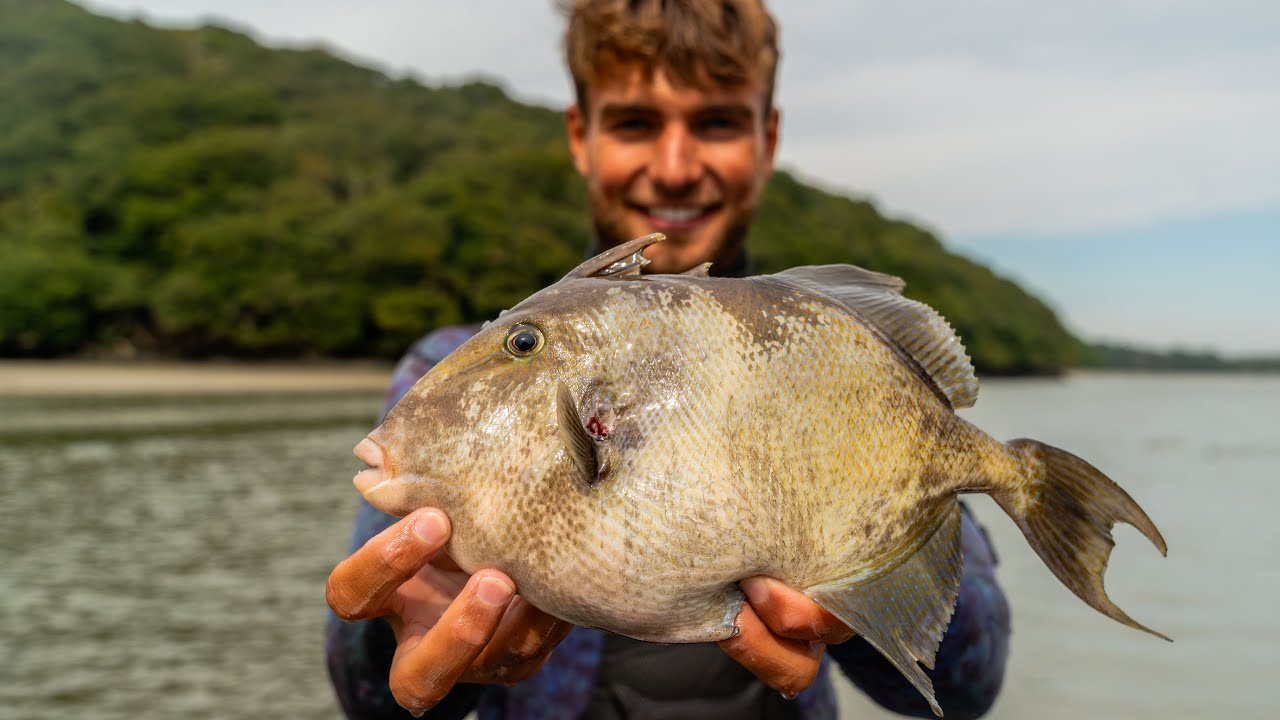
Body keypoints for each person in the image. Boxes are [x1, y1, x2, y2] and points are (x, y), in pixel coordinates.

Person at [325, 1, 1010, 718]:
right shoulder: (443, 361)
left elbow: (966, 686)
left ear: (767, 137)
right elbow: (367, 693)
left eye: (716, 122)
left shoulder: (833, 357)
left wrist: (860, 591)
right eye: (634, 123)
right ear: (580, 136)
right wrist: (395, 639)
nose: (676, 168)